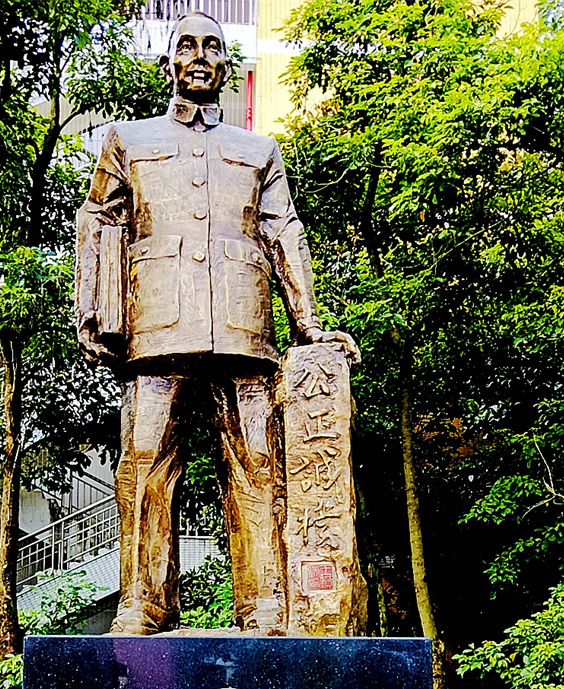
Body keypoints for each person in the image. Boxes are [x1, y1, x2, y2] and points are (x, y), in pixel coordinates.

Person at [76, 10, 358, 634]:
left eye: (212, 46)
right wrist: (96, 311)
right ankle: (144, 601)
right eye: (186, 46)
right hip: (158, 328)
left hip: (242, 327)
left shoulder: (258, 150)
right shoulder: (128, 140)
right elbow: (99, 220)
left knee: (257, 462)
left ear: (227, 64)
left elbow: (283, 231)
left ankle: (265, 601)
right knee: (144, 462)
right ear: (167, 63)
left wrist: (308, 322)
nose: (199, 56)